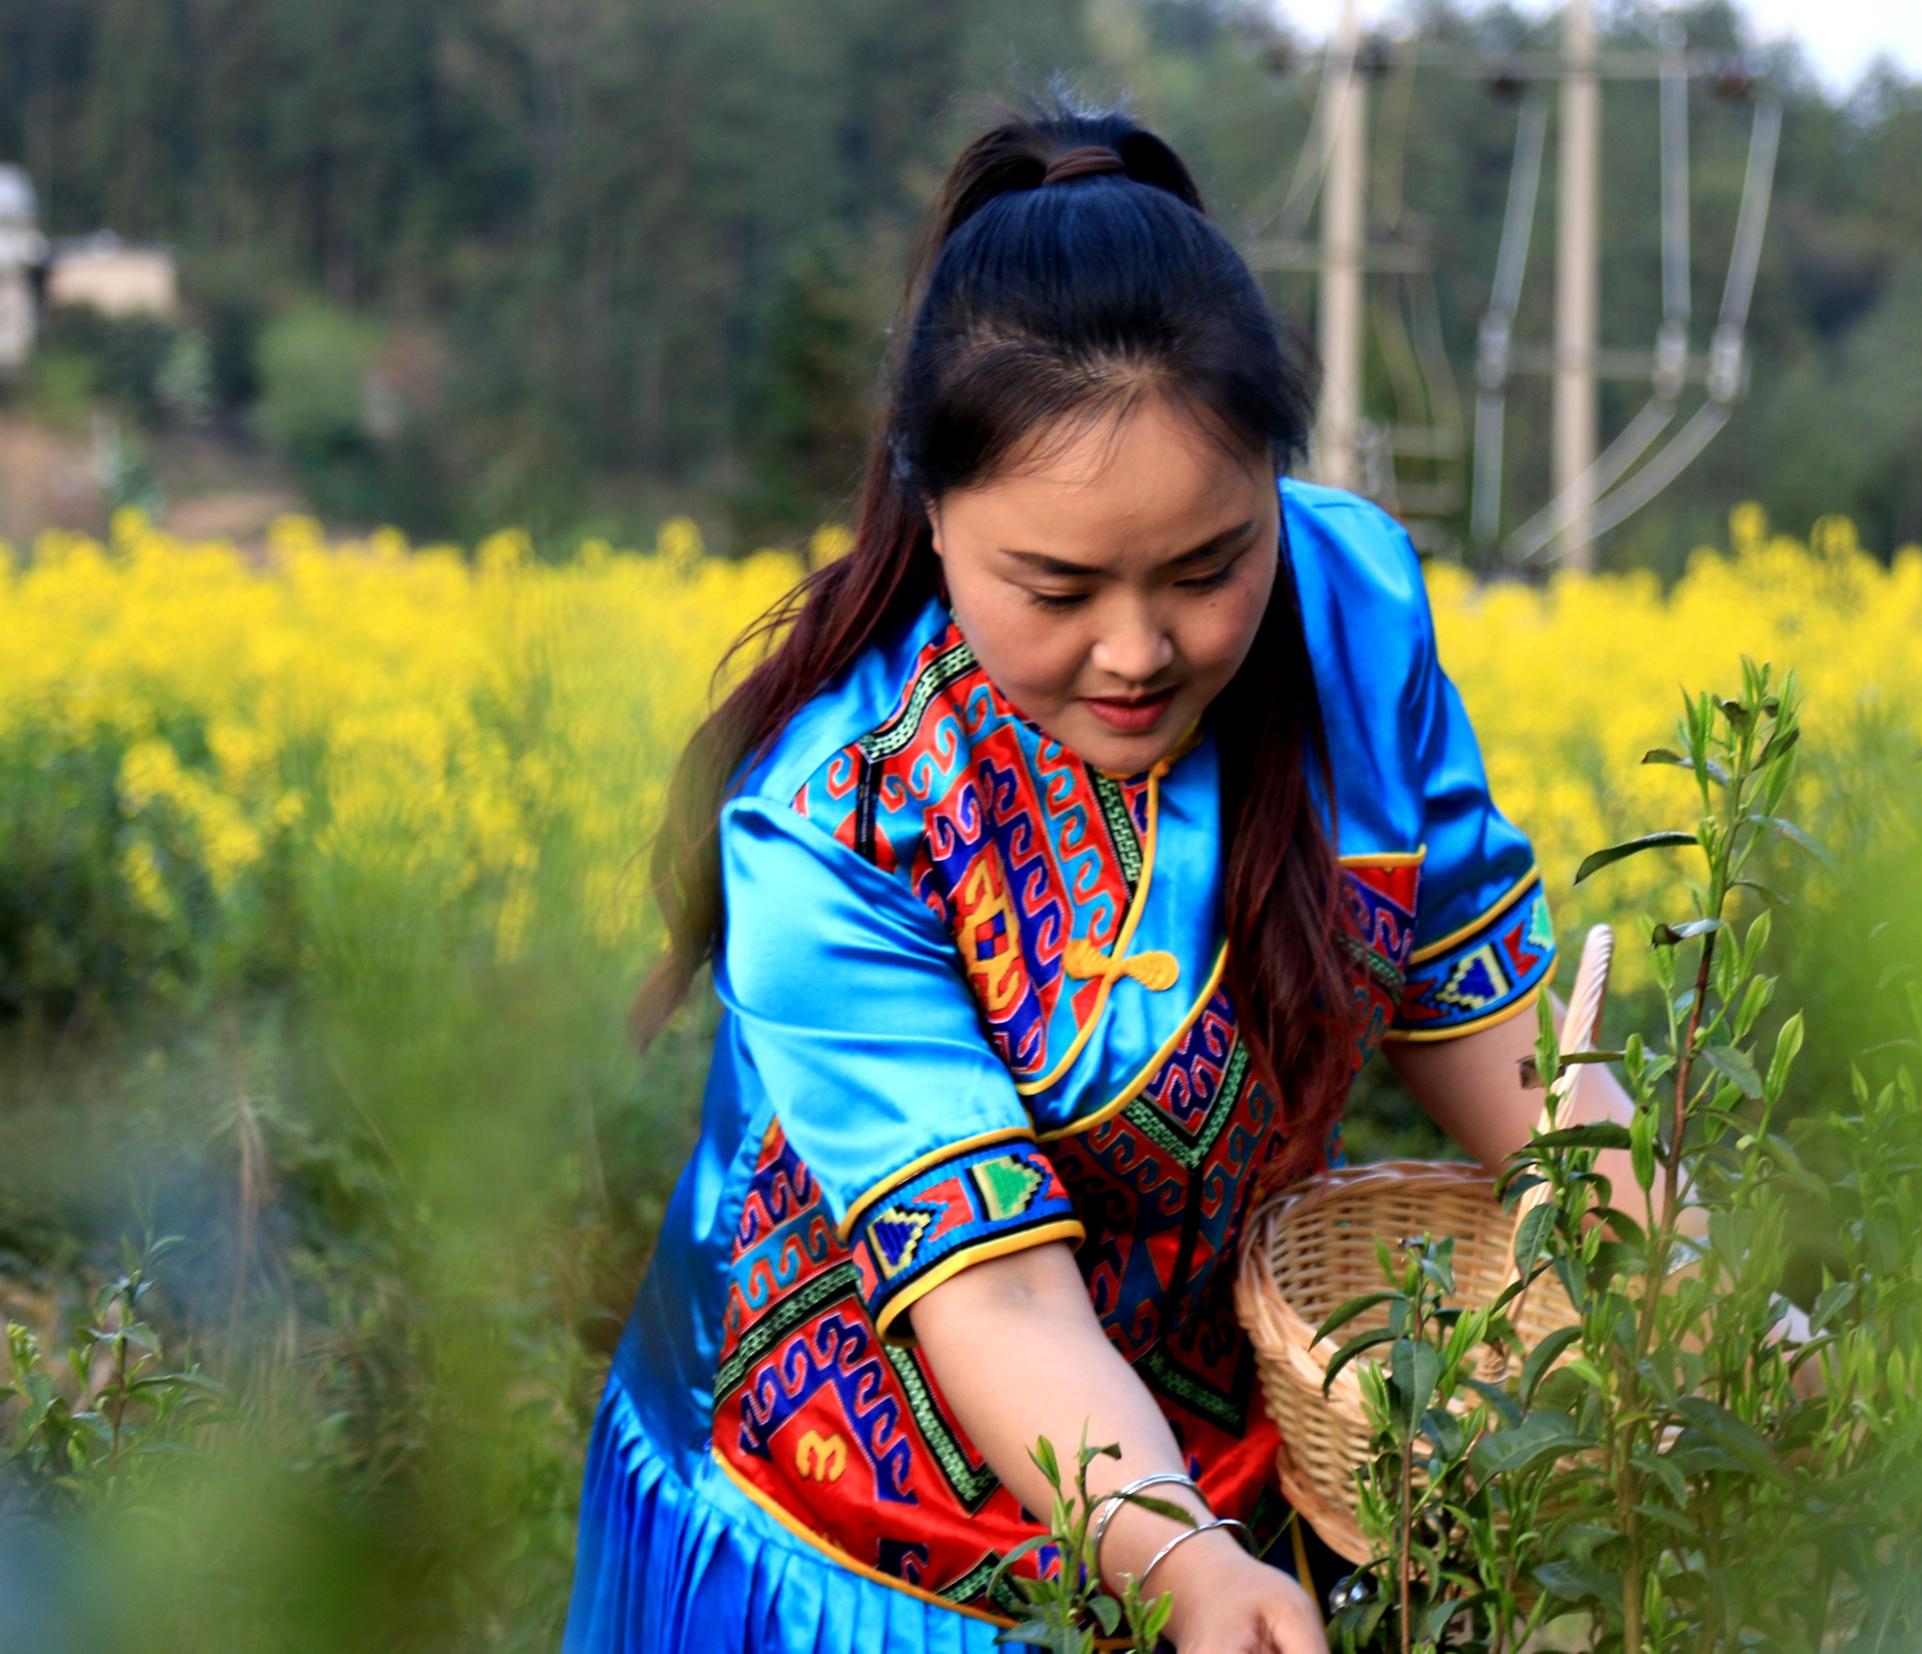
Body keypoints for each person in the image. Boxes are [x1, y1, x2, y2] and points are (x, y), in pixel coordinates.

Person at [560, 90, 1644, 1654]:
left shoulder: (1350, 602)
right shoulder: (838, 819)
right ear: (932, 513)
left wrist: (1679, 1291)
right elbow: (994, 1297)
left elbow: (1479, 1004)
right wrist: (1186, 1563)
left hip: (1214, 1471)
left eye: (1209, 568)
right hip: (868, 1539)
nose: (1140, 651)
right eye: (1056, 587)